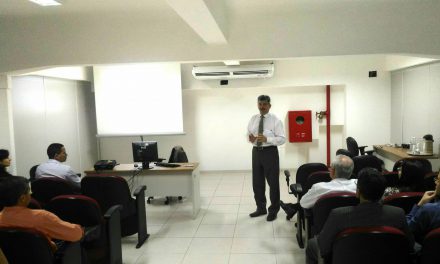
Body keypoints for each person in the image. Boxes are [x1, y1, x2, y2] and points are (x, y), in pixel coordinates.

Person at [305, 168, 414, 264]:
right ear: (382, 193)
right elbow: (410, 245)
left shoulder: (339, 215)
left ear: (357, 192)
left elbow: (323, 247)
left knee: (311, 245)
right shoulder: (398, 214)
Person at [0, 176, 83, 251]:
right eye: (29, 191)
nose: (31, 194)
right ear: (22, 198)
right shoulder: (41, 217)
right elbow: (75, 235)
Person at [247, 95, 286, 221]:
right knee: (257, 182)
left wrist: (267, 139)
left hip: (270, 153)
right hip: (256, 152)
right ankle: (261, 208)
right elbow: (248, 132)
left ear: (269, 106)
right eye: (260, 104)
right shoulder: (253, 118)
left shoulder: (275, 120)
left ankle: (273, 210)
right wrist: (250, 138)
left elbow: (282, 139)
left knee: (273, 183)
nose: (262, 107)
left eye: (264, 104)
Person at [406, 172, 440, 244]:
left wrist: (420, 204)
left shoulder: (428, 209)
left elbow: (408, 228)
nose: (436, 182)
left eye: (438, 180)